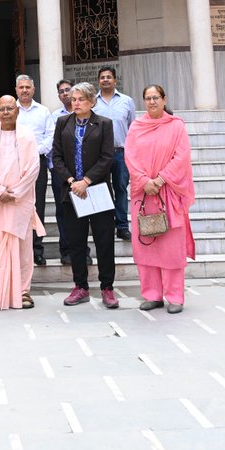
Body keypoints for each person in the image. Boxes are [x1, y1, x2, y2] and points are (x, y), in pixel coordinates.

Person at [124, 84, 196, 314]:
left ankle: (175, 296)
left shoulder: (176, 127)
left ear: (164, 100)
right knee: (146, 245)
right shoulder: (137, 127)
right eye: (148, 98)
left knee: (171, 248)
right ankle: (152, 295)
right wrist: (145, 180)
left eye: (156, 97)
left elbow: (181, 157)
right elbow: (130, 157)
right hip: (143, 193)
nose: (152, 102)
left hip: (168, 192)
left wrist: (161, 179)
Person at [52, 82, 118, 308]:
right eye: (73, 99)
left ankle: (107, 288)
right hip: (72, 193)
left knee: (104, 241)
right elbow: (57, 157)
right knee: (76, 242)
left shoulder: (104, 124)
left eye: (80, 99)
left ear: (92, 101)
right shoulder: (63, 123)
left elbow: (107, 157)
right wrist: (72, 181)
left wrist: (86, 181)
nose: (75, 103)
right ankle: (80, 287)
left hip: (97, 190)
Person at [0, 97, 43, 309]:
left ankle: (23, 290)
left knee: (23, 248)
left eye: (10, 108)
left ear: (17, 111)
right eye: (2, 109)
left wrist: (16, 192)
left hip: (19, 200)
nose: (6, 112)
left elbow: (34, 167)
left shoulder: (27, 137)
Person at [92, 66, 137, 242]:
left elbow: (133, 128)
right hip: (99, 155)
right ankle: (103, 225)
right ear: (98, 81)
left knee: (120, 188)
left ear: (115, 80)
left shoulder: (126, 101)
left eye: (109, 77)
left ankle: (122, 226)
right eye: (102, 77)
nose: (105, 80)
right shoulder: (93, 103)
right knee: (100, 189)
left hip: (120, 153)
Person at [15, 74, 55, 266]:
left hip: (38, 162)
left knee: (37, 205)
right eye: (21, 87)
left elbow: (50, 136)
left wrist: (35, 152)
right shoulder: (10, 110)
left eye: (27, 87)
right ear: (16, 90)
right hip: (14, 163)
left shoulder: (43, 111)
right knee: (16, 205)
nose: (24, 90)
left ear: (33, 89)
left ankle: (37, 250)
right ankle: (18, 250)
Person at [49, 78, 76, 266]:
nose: (65, 93)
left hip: (83, 171)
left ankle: (83, 251)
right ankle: (65, 250)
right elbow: (53, 146)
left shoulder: (88, 114)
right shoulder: (54, 117)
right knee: (63, 210)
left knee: (82, 212)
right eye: (61, 91)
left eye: (68, 90)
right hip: (60, 170)